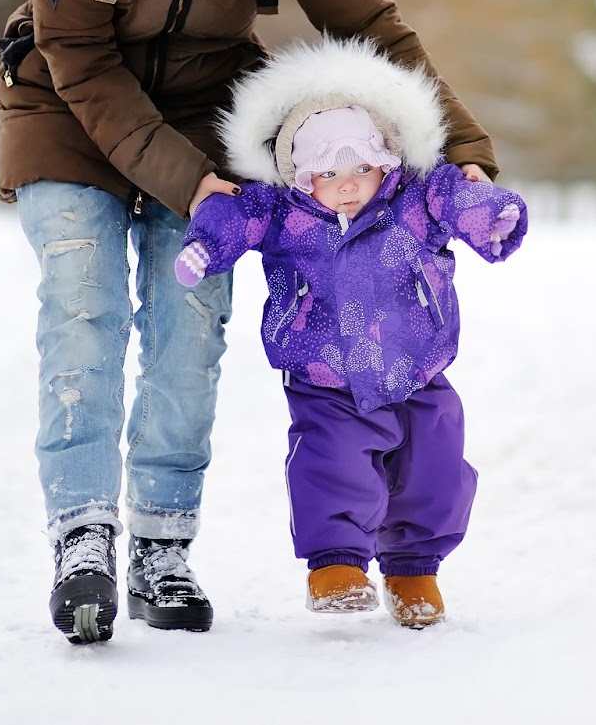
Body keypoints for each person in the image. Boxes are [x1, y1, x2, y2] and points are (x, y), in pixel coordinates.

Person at [0, 0, 503, 644]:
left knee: (191, 317)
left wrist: (460, 147)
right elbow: (84, 63)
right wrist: (190, 185)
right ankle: (84, 534)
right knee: (85, 296)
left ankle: (160, 544)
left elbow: (371, 22)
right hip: (67, 112)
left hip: (207, 118)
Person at [170, 37, 527, 628]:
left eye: (362, 168)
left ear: (385, 160)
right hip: (325, 371)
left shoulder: (415, 198)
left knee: (433, 470)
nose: (347, 185)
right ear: (296, 170)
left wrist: (491, 215)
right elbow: (234, 215)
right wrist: (206, 246)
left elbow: (458, 196)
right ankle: (337, 566)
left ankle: (414, 571)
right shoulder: (282, 210)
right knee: (333, 464)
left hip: (418, 367)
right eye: (328, 172)